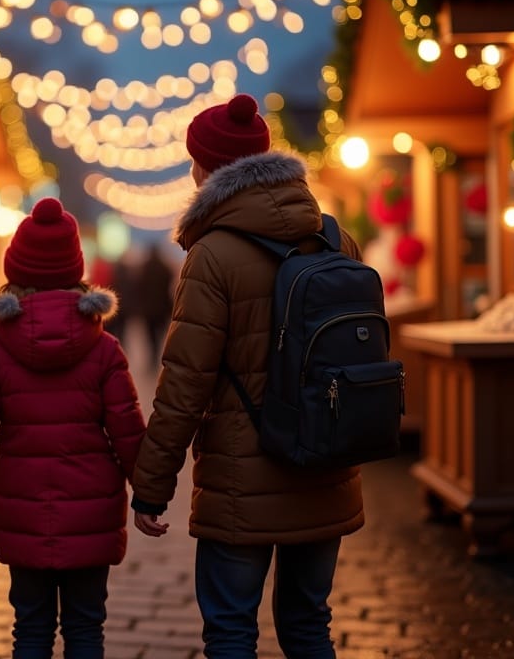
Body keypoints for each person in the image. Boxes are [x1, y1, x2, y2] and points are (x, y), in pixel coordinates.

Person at [130, 93, 365, 658]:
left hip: (241, 478)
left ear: (206, 169)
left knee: (232, 630)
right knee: (309, 626)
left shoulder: (212, 255)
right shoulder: (336, 239)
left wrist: (151, 486)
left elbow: (184, 386)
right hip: (327, 464)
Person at [0, 197, 146, 659]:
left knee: (30, 628)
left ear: (15, 270)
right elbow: (129, 434)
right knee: (86, 628)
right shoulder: (105, 349)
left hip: (22, 512)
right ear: (77, 270)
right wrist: (149, 495)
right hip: (91, 515)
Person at [135, 242, 175, 371]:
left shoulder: (144, 267)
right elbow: (169, 284)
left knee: (150, 334)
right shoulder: (165, 267)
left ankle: (152, 356)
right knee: (160, 333)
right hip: (162, 308)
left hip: (148, 308)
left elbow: (139, 287)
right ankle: (157, 354)